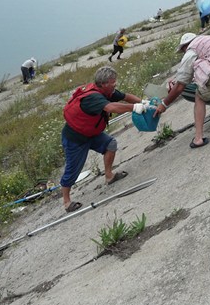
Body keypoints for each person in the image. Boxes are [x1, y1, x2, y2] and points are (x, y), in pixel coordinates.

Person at [60, 65, 149, 212]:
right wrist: (134, 108)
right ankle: (66, 201)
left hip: (91, 133)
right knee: (73, 169)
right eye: (113, 82)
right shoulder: (93, 97)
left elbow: (126, 96)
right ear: (103, 84)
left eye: (115, 81)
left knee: (110, 144)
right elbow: (111, 108)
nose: (115, 84)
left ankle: (109, 176)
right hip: (75, 138)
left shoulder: (108, 91)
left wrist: (144, 103)